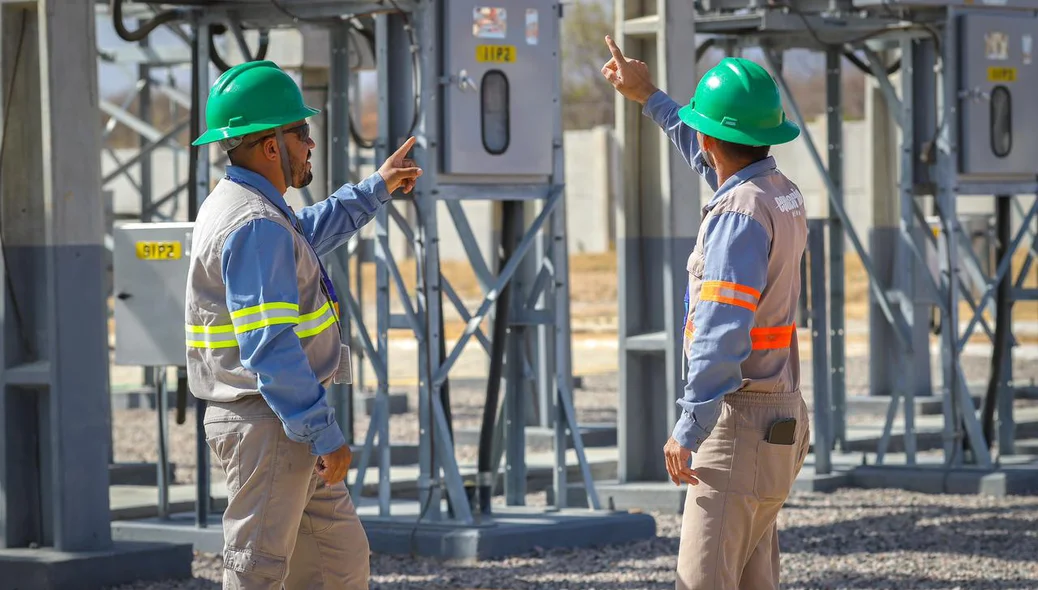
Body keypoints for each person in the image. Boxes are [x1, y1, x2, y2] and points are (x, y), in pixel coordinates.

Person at [184, 60, 422, 589]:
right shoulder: (254, 223)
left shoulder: (252, 209)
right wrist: (323, 432)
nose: (310, 144)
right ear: (272, 145)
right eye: (302, 132)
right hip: (269, 424)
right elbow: (269, 345)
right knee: (258, 571)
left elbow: (304, 235)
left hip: (281, 421)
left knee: (337, 564)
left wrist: (376, 188)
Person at [602, 37, 812, 590]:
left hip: (736, 426)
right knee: (751, 578)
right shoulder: (776, 191)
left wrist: (689, 423)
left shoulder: (738, 216)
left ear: (711, 135)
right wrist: (648, 95)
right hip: (778, 416)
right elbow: (712, 155)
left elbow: (721, 329)